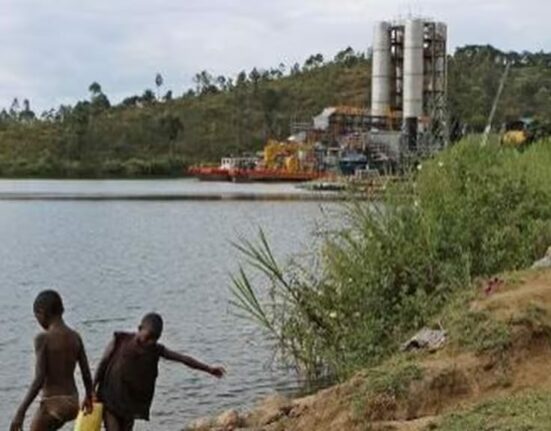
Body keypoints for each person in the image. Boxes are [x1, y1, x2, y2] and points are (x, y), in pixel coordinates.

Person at [93, 313, 225, 431]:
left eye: (155, 339)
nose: (150, 342)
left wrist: (208, 369)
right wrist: (91, 390)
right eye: (148, 337)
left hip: (130, 403)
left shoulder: (155, 350)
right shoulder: (120, 340)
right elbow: (103, 363)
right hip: (109, 397)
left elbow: (183, 359)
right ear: (140, 328)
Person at [10, 290, 94, 431]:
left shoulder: (43, 339)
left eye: (36, 317)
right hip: (73, 403)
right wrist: (89, 396)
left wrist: (21, 412)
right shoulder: (75, 337)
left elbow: (39, 379)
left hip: (53, 403)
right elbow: (86, 372)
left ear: (42, 313)